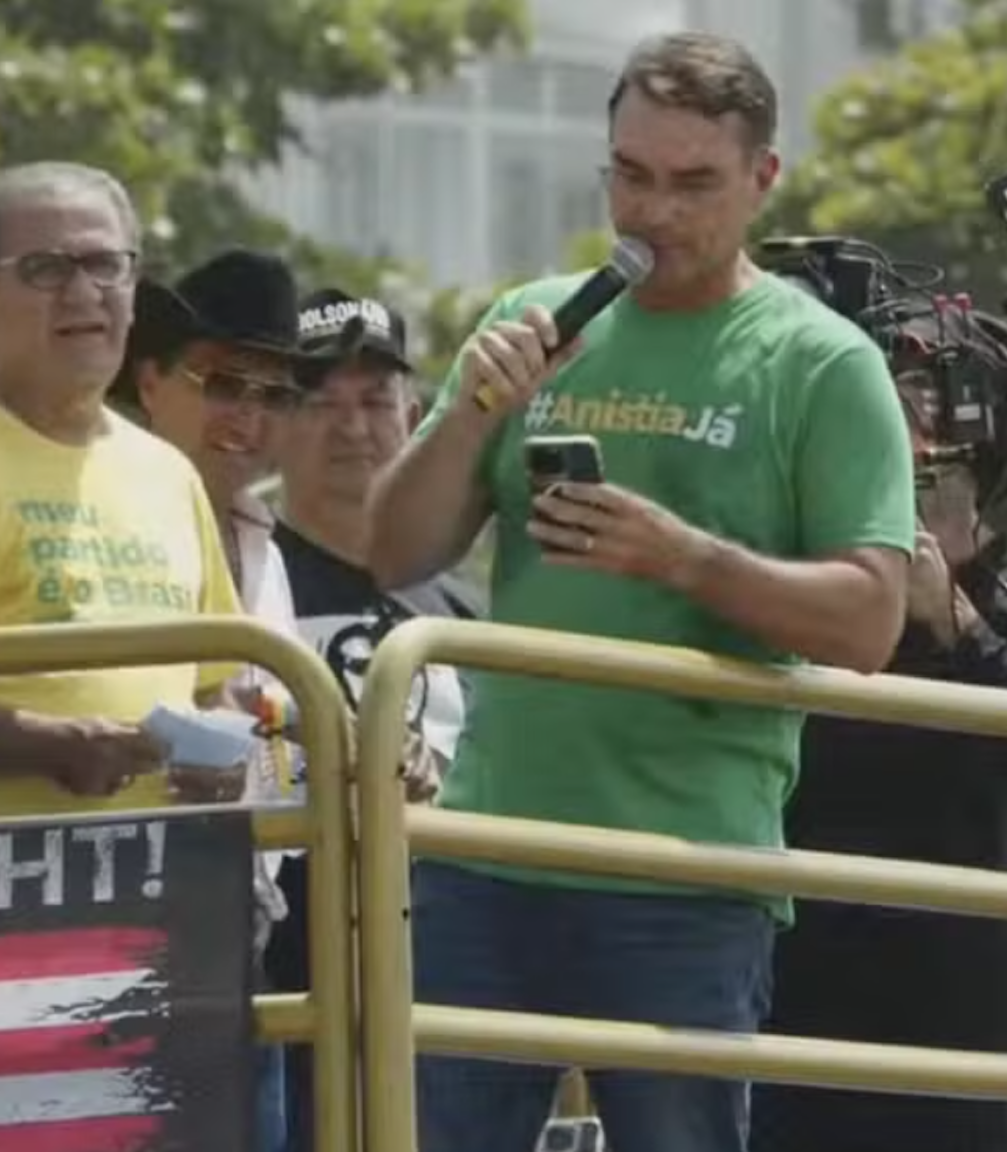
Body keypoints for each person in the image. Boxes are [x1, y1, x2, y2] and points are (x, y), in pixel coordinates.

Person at [366, 32, 915, 1152]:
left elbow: (870, 620)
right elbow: (391, 551)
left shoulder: (822, 363)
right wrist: (471, 411)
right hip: (485, 852)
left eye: (691, 183)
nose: (651, 212)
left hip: (686, 871)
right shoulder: (538, 317)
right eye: (629, 174)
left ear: (763, 179)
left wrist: (682, 558)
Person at [751, 299, 1007, 1152]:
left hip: (959, 998)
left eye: (927, 398)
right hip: (793, 985)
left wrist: (957, 624)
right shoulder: (810, 568)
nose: (908, 423)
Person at [0, 161, 244, 825]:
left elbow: (217, 685)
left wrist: (227, 757)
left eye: (106, 266)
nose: (84, 293)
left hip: (160, 888)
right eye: (46, 270)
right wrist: (46, 746)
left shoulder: (169, 473)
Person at [267, 287, 477, 1152]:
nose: (351, 427)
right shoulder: (239, 582)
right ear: (278, 421)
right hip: (281, 970)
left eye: (374, 401)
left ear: (416, 416)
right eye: (320, 403)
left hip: (446, 972)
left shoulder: (468, 607)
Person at [120, 247, 309, 1152]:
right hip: (111, 922)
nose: (249, 416)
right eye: (226, 382)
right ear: (150, 378)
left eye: (276, 395)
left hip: (238, 926)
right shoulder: (105, 511)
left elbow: (270, 738)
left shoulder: (267, 551)